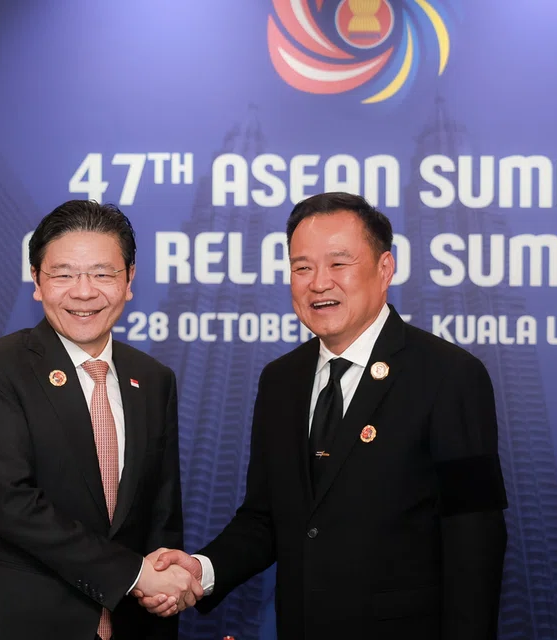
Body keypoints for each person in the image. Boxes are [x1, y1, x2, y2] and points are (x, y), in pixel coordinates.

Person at [140, 192, 508, 638]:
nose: (318, 283)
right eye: (302, 267)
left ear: (385, 268)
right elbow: (266, 518)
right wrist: (202, 569)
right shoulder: (281, 380)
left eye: (339, 264)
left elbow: (475, 540)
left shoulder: (450, 376)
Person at [0, 200, 201, 640]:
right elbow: (11, 504)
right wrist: (135, 574)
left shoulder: (153, 379)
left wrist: (163, 583)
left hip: (131, 624)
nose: (84, 292)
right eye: (63, 275)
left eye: (103, 274)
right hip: (20, 623)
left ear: (129, 280)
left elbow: (162, 513)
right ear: (38, 282)